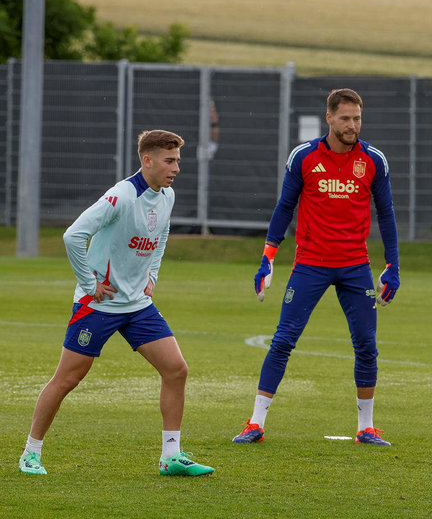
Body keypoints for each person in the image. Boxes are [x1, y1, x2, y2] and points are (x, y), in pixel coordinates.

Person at [18, 130, 213, 477]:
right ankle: (30, 453)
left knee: (176, 369)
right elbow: (73, 235)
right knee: (66, 380)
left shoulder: (166, 195)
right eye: (170, 161)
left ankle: (171, 456)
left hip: (137, 305)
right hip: (98, 307)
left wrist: (152, 273)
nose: (177, 169)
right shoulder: (121, 196)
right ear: (147, 160)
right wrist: (89, 284)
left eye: (178, 161)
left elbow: (162, 232)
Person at [232, 88, 400, 446]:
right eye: (345, 119)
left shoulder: (373, 160)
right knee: (283, 341)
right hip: (310, 265)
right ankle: (255, 423)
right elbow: (284, 208)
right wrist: (268, 257)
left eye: (357, 118)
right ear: (329, 118)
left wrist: (392, 265)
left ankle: (366, 427)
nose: (352, 125)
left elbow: (386, 214)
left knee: (367, 346)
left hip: (355, 267)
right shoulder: (304, 157)